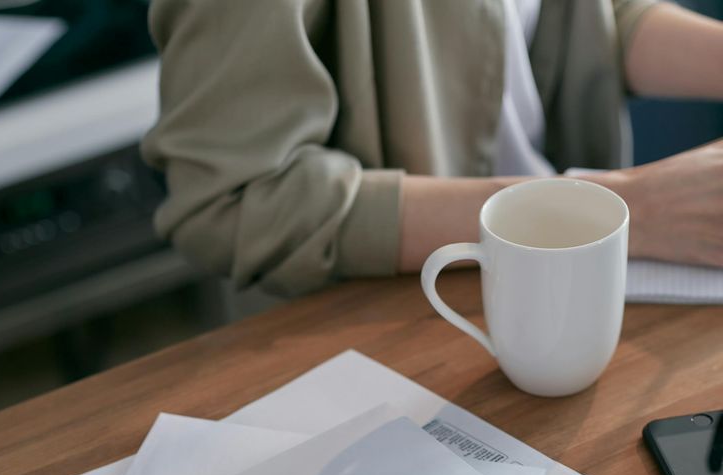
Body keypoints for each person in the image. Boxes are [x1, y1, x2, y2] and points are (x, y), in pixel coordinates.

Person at [142, 0, 723, 297]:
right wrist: (623, 209)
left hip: (553, 284)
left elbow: (584, 19)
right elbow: (235, 198)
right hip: (383, 328)